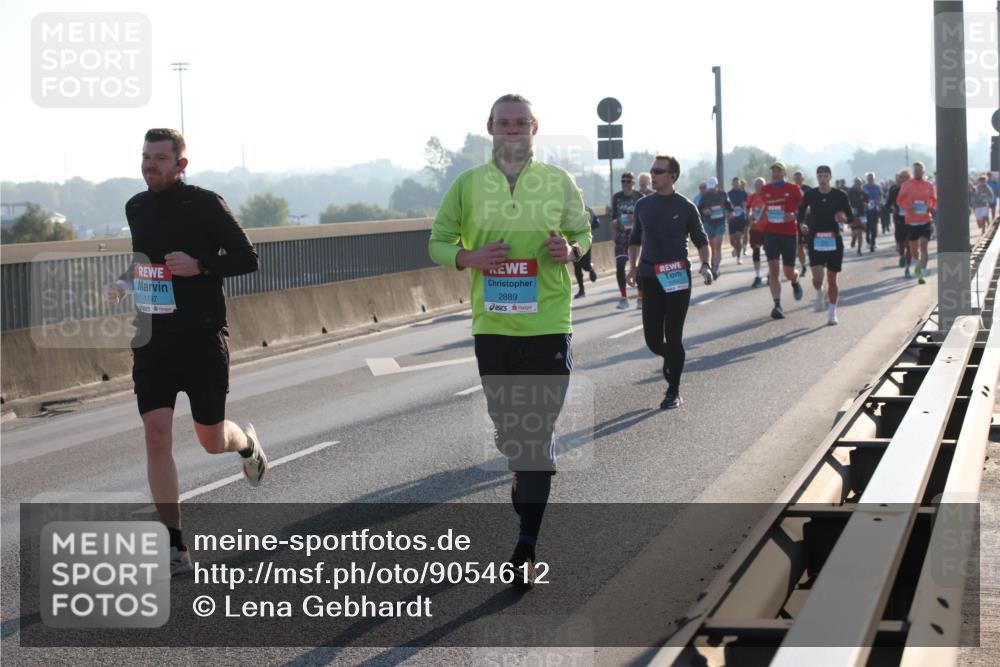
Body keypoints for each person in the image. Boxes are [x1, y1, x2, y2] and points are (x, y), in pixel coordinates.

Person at [428, 93, 591, 588]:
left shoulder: (558, 181)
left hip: (548, 323)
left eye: (521, 122)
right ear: (491, 127)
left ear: (534, 127)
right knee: (512, 434)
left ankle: (526, 548)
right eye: (505, 123)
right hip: (493, 327)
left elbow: (583, 234)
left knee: (535, 437)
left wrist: (570, 250)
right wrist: (468, 258)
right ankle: (520, 462)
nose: (513, 130)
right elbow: (438, 242)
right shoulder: (468, 184)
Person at [102, 128, 266, 576]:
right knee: (156, 436)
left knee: (212, 441)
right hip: (153, 338)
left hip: (201, 338)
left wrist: (200, 266)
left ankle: (246, 442)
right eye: (145, 156)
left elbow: (248, 258)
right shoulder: (136, 206)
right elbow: (145, 262)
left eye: (159, 157)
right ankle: (175, 545)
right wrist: (123, 282)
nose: (149, 164)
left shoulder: (205, 204)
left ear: (180, 165)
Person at [627, 155, 711, 410]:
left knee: (673, 336)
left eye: (658, 171)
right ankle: (672, 358)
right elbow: (635, 239)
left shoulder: (686, 207)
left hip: (677, 277)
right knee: (653, 340)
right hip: (650, 277)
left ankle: (673, 390)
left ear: (672, 176)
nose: (653, 175)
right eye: (652, 171)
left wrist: (706, 264)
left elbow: (701, 240)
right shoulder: (643, 205)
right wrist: (633, 267)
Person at [798, 165, 853, 325]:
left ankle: (832, 313)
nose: (822, 179)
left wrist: (844, 219)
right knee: (817, 278)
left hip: (834, 240)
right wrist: (802, 225)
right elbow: (800, 214)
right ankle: (819, 291)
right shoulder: (810, 195)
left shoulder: (840, 195)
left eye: (825, 176)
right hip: (815, 239)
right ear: (817, 177)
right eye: (820, 176)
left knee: (832, 278)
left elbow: (850, 216)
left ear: (830, 177)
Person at [760, 162, 805, 318]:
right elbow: (764, 207)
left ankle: (795, 281)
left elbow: (805, 207)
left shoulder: (793, 189)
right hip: (770, 233)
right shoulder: (765, 189)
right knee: (773, 270)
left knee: (788, 272)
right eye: (773, 171)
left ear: (784, 173)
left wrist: (794, 215)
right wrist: (757, 218)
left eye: (779, 171)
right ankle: (777, 305)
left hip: (789, 234)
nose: (775, 173)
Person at [896, 161, 937, 285]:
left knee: (924, 246)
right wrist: (908, 207)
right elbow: (899, 200)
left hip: (925, 220)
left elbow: (934, 200)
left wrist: (931, 207)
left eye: (920, 170)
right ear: (913, 172)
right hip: (911, 221)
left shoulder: (929, 185)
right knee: (914, 251)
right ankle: (918, 264)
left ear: (923, 171)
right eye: (916, 170)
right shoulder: (907, 185)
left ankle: (921, 274)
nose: (918, 172)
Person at [611, 172, 643, 309]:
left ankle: (640, 298)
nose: (625, 184)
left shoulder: (640, 197)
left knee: (638, 267)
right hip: (621, 237)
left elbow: (645, 217)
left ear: (633, 183)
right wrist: (615, 225)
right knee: (619, 266)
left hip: (636, 237)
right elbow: (613, 217)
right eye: (623, 181)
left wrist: (634, 219)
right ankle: (624, 298)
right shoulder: (617, 197)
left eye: (628, 181)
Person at [699, 177, 731, 278]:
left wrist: (731, 212)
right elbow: (699, 209)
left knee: (718, 246)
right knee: (712, 247)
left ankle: (716, 267)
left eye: (713, 188)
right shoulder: (705, 196)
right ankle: (713, 264)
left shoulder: (723, 194)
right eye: (710, 188)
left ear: (717, 186)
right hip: (709, 224)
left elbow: (728, 205)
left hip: (720, 223)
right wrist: (705, 211)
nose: (711, 190)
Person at [886, 170, 912, 276]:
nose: (903, 180)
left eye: (906, 177)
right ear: (899, 179)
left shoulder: (913, 190)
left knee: (909, 246)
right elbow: (887, 206)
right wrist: (893, 210)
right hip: (900, 221)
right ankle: (901, 255)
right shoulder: (895, 191)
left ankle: (907, 268)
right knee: (901, 245)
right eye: (901, 177)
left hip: (911, 221)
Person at [573, 198, 600, 298]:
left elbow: (597, 223)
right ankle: (581, 290)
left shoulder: (587, 210)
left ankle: (590, 268)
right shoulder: (568, 211)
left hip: (586, 240)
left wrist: (587, 228)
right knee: (577, 265)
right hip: (574, 241)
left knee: (585, 265)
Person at [747, 177, 767, 287]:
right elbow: (748, 209)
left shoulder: (768, 196)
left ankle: (770, 274)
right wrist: (750, 218)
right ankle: (758, 276)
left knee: (770, 253)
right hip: (755, 228)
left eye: (761, 184)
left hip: (768, 228)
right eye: (757, 184)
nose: (759, 187)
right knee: (756, 251)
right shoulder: (752, 197)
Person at [792, 170, 812, 275]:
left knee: (807, 244)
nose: (798, 180)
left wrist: (810, 208)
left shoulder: (808, 189)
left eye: (800, 178)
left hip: (807, 219)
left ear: (803, 178)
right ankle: (803, 266)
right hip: (796, 219)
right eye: (796, 178)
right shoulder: (791, 189)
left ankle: (812, 259)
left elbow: (815, 202)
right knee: (799, 244)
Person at [727, 177, 749, 264]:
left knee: (738, 237)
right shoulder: (728, 194)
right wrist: (728, 213)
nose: (736, 184)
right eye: (734, 183)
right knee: (732, 240)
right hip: (732, 218)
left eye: (737, 183)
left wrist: (745, 205)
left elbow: (747, 204)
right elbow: (726, 205)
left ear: (740, 184)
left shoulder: (744, 193)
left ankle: (739, 258)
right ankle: (737, 249)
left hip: (741, 217)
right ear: (732, 184)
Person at [847, 177, 869, 256]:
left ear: (862, 183)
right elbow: (846, 201)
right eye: (856, 183)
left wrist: (866, 204)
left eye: (859, 183)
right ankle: (853, 239)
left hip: (862, 214)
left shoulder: (864, 193)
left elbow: (867, 203)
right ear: (854, 183)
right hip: (853, 213)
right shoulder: (850, 192)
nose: (858, 184)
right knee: (854, 232)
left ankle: (859, 249)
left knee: (860, 232)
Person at [862, 172, 883, 252]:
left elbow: (880, 196)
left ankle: (873, 242)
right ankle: (868, 240)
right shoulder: (864, 187)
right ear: (867, 178)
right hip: (866, 210)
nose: (870, 179)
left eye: (872, 177)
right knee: (867, 227)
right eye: (869, 177)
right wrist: (863, 203)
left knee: (874, 227)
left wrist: (880, 203)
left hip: (875, 209)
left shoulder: (877, 187)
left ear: (874, 178)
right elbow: (861, 197)